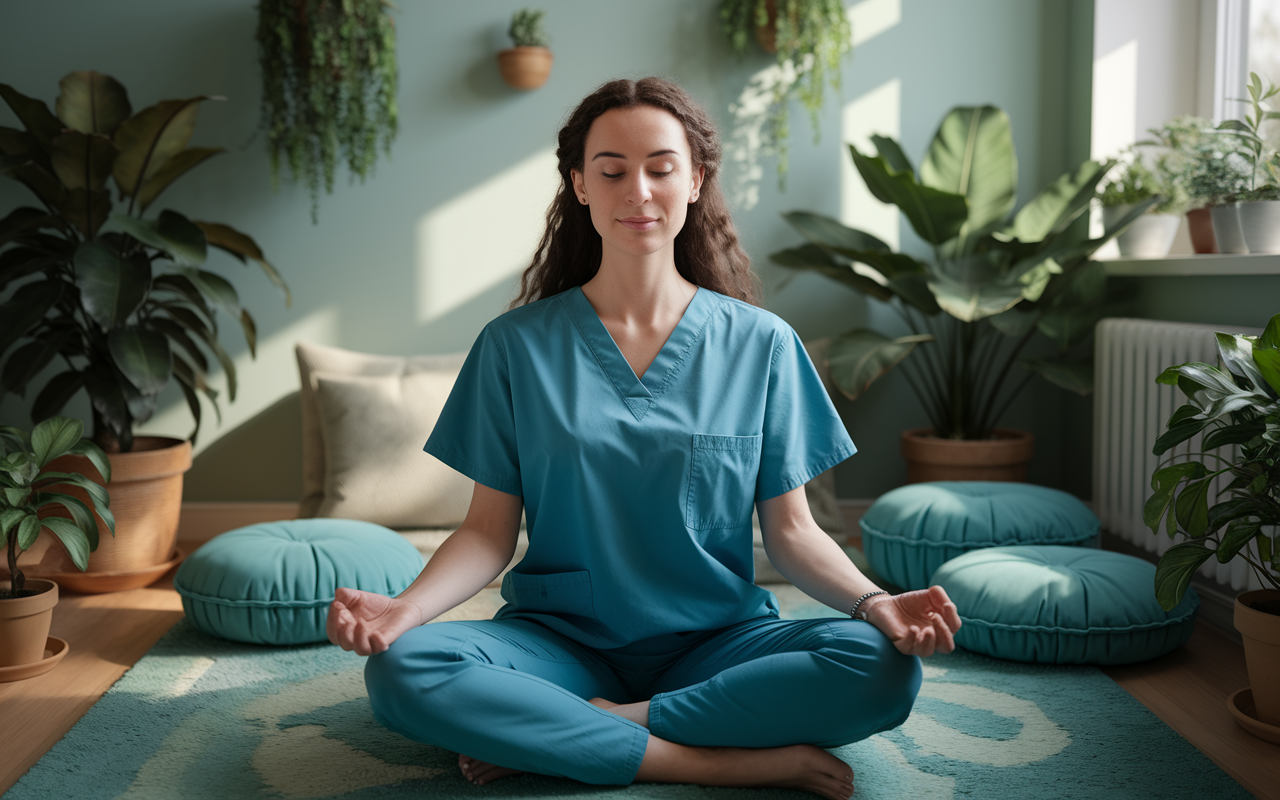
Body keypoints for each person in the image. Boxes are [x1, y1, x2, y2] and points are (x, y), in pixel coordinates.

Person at [327, 77, 962, 800]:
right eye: (612, 170)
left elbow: (791, 534)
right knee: (406, 671)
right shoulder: (513, 347)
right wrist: (405, 610)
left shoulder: (763, 345)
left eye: (661, 168)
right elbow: (486, 534)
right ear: (580, 186)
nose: (639, 190)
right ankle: (708, 760)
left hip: (718, 642)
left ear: (695, 181)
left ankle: (590, 730)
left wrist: (875, 603)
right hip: (557, 642)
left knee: (879, 667)